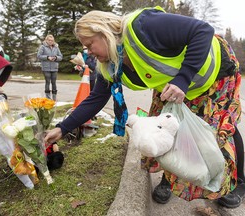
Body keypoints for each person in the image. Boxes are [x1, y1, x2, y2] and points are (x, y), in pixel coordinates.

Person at [44, 7, 245, 208]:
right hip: (174, 84)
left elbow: (202, 30)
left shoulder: (143, 26)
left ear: (103, 31)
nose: (89, 52)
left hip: (214, 72)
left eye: (90, 44)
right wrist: (63, 128)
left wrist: (183, 79)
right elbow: (95, 99)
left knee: (220, 129)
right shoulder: (112, 65)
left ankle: (239, 183)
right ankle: (170, 179)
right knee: (162, 130)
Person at [37, 34, 63, 100]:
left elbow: (61, 57)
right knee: (47, 82)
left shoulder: (56, 47)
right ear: (46, 40)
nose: (51, 42)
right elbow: (39, 56)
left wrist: (56, 57)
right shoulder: (42, 47)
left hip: (54, 68)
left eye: (52, 40)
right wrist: (47, 57)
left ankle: (54, 98)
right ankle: (48, 98)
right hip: (46, 68)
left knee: (54, 82)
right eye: (49, 40)